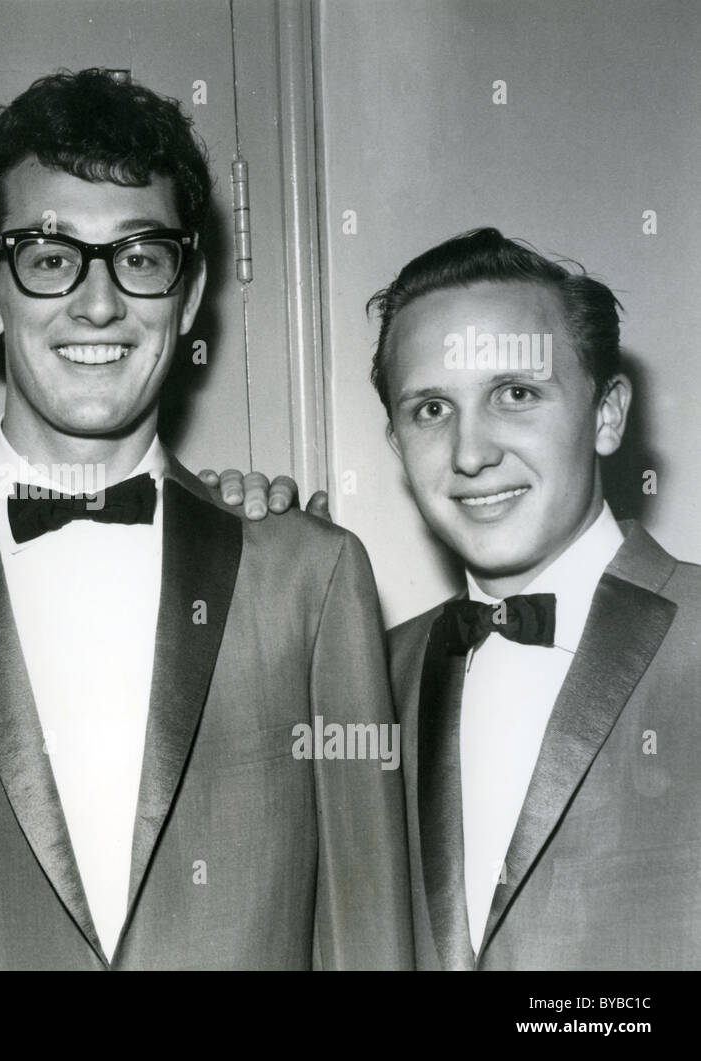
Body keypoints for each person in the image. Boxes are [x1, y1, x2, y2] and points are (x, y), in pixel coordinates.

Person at [0, 69, 412, 970]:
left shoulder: (311, 577)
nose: (98, 303)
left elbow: (371, 945)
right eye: (49, 255)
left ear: (186, 296)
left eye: (141, 257)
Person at [210, 229, 701, 969]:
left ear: (607, 414)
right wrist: (229, 587)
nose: (471, 453)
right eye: (432, 410)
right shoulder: (364, 681)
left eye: (516, 394)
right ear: (396, 442)